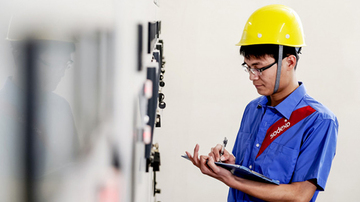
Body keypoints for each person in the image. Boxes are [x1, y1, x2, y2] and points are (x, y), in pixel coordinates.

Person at [186, 4, 338, 202]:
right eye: (248, 68)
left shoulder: (318, 120)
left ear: (290, 62)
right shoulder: (253, 109)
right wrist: (228, 165)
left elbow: (300, 195)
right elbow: (250, 174)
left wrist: (232, 180)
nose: (252, 77)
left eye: (259, 68)